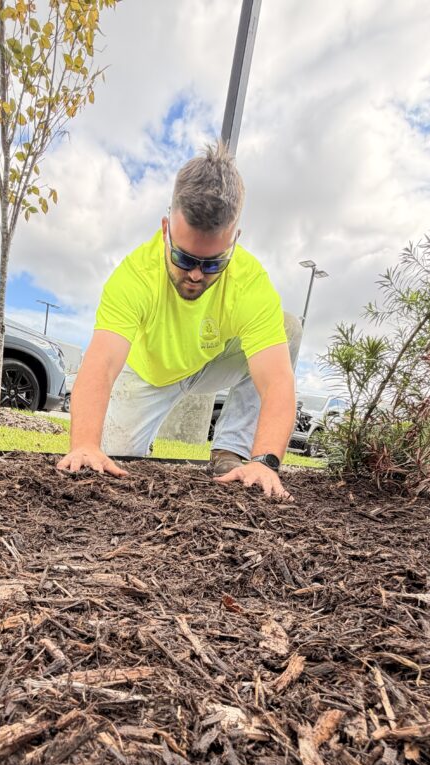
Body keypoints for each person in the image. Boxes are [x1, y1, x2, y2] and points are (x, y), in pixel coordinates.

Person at [56, 141, 298, 500]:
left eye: (213, 263)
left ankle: (232, 451)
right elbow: (102, 364)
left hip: (210, 361)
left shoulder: (250, 282)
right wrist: (86, 443)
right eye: (184, 258)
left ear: (235, 240)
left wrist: (265, 460)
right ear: (167, 227)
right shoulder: (136, 274)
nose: (197, 275)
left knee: (288, 326)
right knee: (109, 465)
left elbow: (276, 380)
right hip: (148, 374)